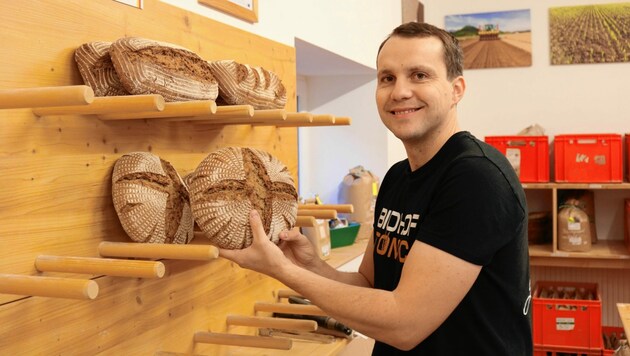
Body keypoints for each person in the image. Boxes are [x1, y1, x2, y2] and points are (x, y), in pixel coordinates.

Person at [220, 22, 533, 355]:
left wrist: (281, 271)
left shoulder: (476, 179)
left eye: (420, 75)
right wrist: (309, 266)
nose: (399, 91)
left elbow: (404, 323)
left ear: (457, 89)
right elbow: (369, 286)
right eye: (387, 78)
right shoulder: (398, 177)